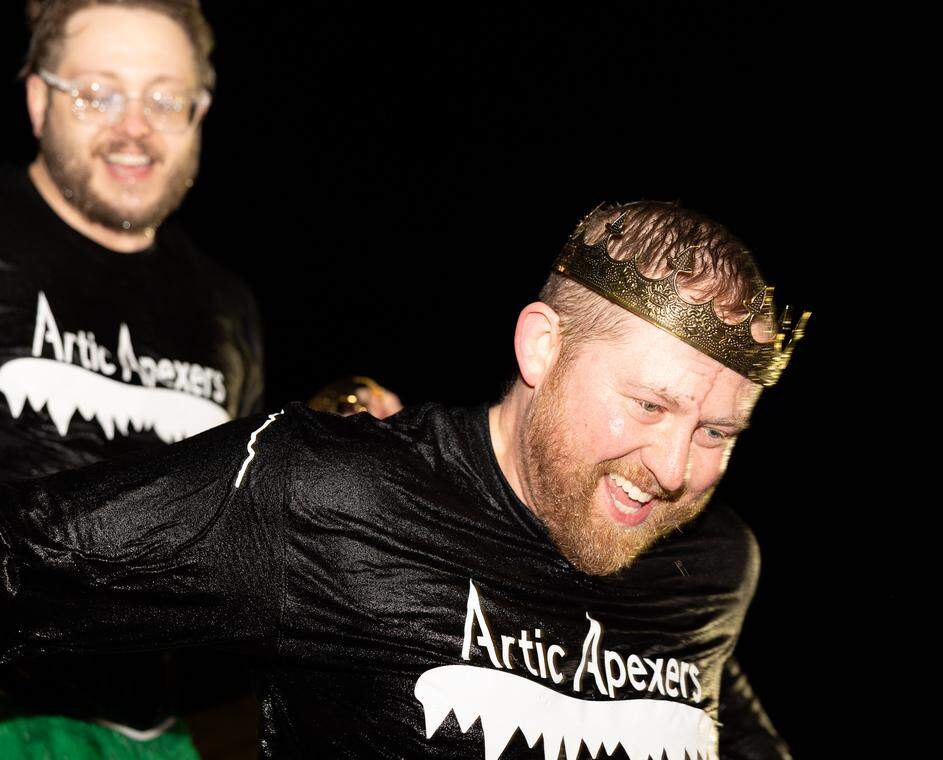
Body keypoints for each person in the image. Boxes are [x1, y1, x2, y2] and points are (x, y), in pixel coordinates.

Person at [1, 201, 805, 759]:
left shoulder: (717, 562)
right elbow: (22, 565)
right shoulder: (327, 492)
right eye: (646, 404)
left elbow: (724, 719)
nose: (672, 470)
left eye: (715, 432)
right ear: (541, 349)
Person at [0, 1, 262, 756]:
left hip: (162, 735)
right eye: (97, 93)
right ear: (38, 99)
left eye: (162, 97)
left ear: (199, 112)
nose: (134, 127)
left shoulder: (227, 307)